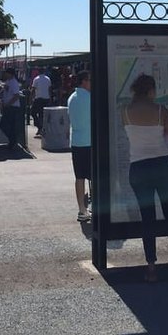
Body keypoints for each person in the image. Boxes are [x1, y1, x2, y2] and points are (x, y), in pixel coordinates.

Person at [122, 74, 168, 283]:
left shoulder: (124, 111)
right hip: (162, 165)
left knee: (147, 218)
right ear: (151, 90)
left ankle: (151, 267)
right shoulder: (160, 111)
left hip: (138, 167)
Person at [67, 69, 92, 222]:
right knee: (93, 177)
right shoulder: (90, 98)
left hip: (76, 141)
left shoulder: (72, 98)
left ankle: (82, 210)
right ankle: (95, 207)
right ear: (84, 81)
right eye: (90, 80)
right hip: (90, 141)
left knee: (80, 177)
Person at [0, 69, 22, 149]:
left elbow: (16, 96)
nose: (5, 75)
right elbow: (5, 90)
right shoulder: (8, 81)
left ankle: (13, 140)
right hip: (7, 106)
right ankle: (12, 141)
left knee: (5, 125)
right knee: (8, 125)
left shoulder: (14, 83)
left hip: (12, 107)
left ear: (10, 74)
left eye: (6, 73)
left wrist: (8, 104)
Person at [31, 70, 52, 136]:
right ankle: (42, 128)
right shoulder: (48, 79)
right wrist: (50, 98)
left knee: (33, 113)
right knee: (42, 115)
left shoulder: (36, 79)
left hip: (39, 98)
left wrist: (31, 98)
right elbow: (49, 89)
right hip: (46, 99)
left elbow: (33, 89)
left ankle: (40, 127)